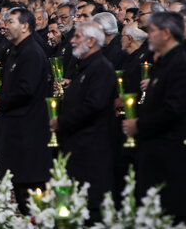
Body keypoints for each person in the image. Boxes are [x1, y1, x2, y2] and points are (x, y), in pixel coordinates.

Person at [122, 11, 186, 224]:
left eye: (152, 31)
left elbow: (173, 109)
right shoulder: (164, 61)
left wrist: (139, 124)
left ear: (166, 33)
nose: (148, 36)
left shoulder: (179, 64)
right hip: (155, 151)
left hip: (169, 153)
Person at [0, 7, 52, 215]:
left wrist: (1, 101)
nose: (6, 25)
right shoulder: (17, 49)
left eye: (11, 21)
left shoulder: (31, 52)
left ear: (25, 26)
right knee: (19, 186)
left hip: (28, 130)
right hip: (15, 128)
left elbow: (26, 89)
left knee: (29, 192)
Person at [51, 21, 116, 222]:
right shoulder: (86, 67)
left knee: (90, 205)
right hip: (78, 145)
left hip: (91, 147)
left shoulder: (101, 68)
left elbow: (94, 105)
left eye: (77, 36)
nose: (72, 40)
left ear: (91, 41)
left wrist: (62, 121)